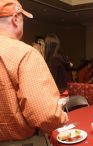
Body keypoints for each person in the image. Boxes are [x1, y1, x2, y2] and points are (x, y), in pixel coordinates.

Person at [0, 0, 68, 145]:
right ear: (16, 19)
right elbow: (45, 115)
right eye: (23, 19)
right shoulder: (25, 53)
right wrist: (62, 117)